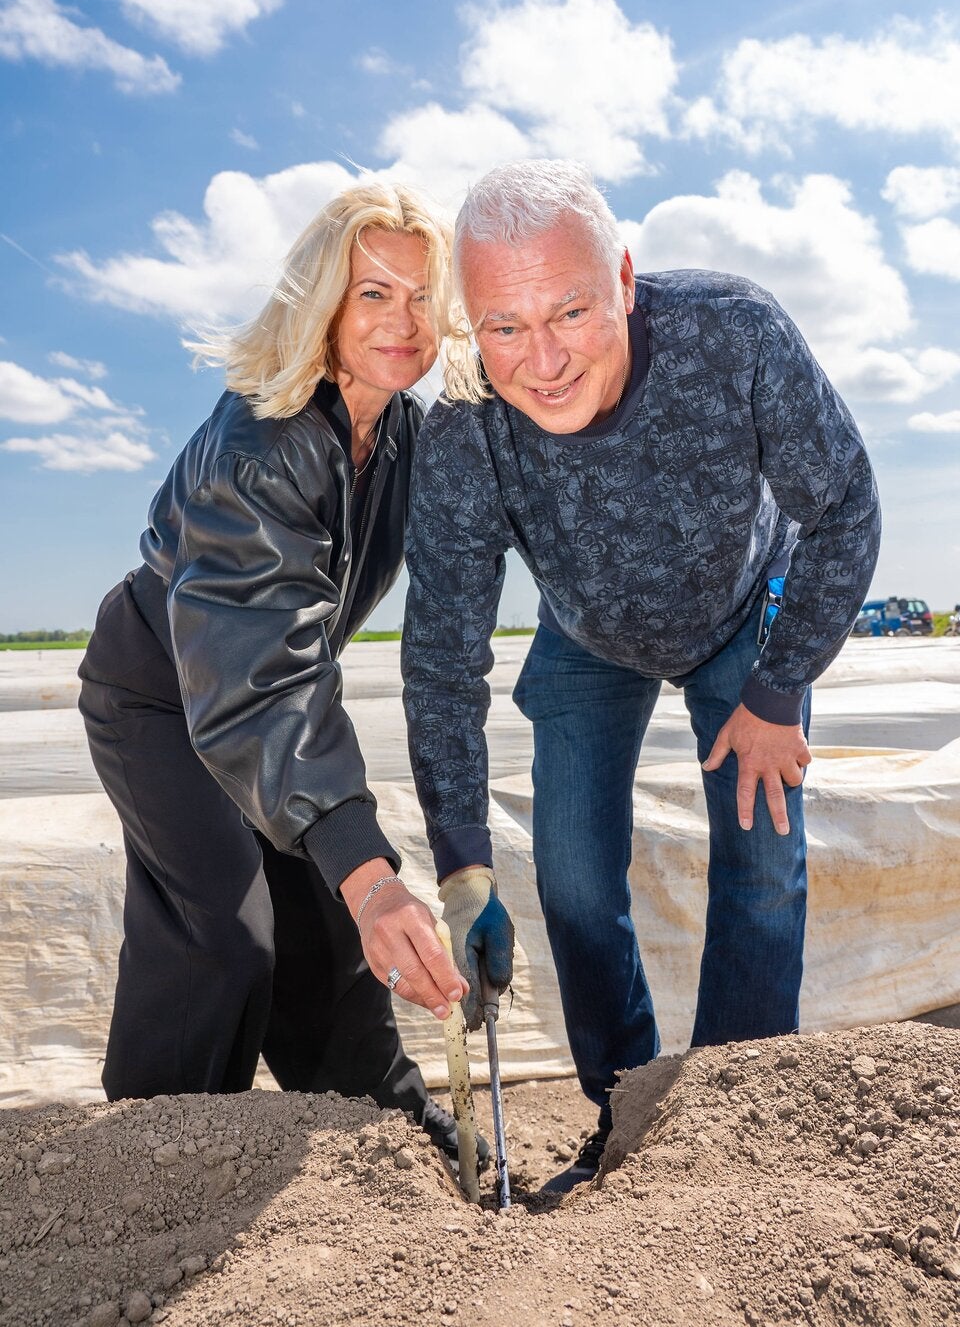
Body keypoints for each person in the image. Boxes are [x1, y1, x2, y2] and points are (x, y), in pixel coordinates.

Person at [402, 159, 881, 1191]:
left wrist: (778, 686)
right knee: (572, 875)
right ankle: (627, 1118)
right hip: (589, 632)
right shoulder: (465, 425)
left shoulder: (732, 333)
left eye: (570, 309)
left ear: (623, 276)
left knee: (760, 864)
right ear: (471, 323)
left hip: (747, 612)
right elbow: (441, 655)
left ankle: (724, 1123)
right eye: (504, 325)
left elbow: (845, 504)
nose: (542, 359)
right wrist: (460, 861)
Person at [79, 182, 480, 1164]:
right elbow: (253, 673)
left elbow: (454, 576)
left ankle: (386, 1125)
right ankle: (155, 1149)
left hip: (274, 702)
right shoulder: (262, 446)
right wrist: (374, 873)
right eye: (372, 293)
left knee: (327, 932)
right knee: (225, 926)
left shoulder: (404, 438)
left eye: (423, 297)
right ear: (321, 303)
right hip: (164, 693)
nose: (403, 321)